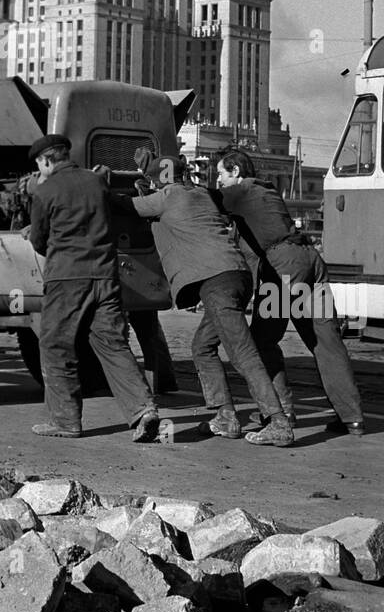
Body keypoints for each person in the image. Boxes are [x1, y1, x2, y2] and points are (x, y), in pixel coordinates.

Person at [122, 151, 292, 444]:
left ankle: (278, 421)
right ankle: (225, 416)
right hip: (237, 276)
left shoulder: (166, 196)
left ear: (157, 179)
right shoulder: (201, 193)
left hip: (215, 282)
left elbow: (124, 205)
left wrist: (100, 183)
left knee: (242, 352)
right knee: (202, 346)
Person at [216, 149, 364, 441]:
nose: (219, 181)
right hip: (310, 260)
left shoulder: (241, 190)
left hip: (284, 266)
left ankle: (280, 412)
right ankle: (352, 417)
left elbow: (205, 201)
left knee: (261, 342)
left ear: (234, 171)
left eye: (221, 174)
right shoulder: (267, 191)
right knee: (326, 342)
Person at [27, 133, 159, 442]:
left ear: (46, 160)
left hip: (67, 278)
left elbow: (38, 240)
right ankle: (143, 409)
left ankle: (65, 421)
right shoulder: (96, 182)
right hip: (105, 276)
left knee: (56, 345)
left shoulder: (46, 191)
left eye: (39, 165)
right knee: (112, 344)